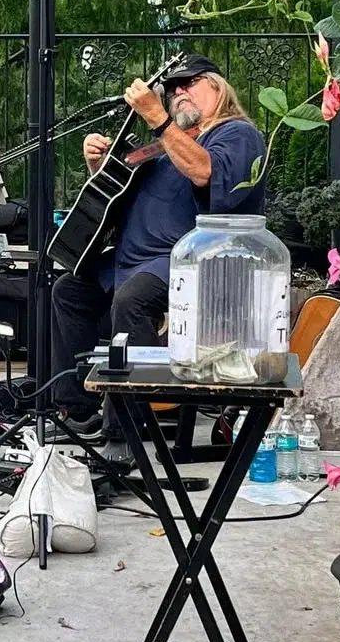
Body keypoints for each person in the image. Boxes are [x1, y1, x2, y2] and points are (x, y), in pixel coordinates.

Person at [48, 55, 267, 459]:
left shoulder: (235, 134)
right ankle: (77, 411)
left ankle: (123, 435)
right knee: (68, 290)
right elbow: (113, 192)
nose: (178, 92)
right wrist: (97, 163)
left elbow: (205, 173)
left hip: (193, 264)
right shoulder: (161, 145)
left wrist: (158, 120)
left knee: (132, 298)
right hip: (129, 263)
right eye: (172, 90)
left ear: (218, 88)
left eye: (190, 83)